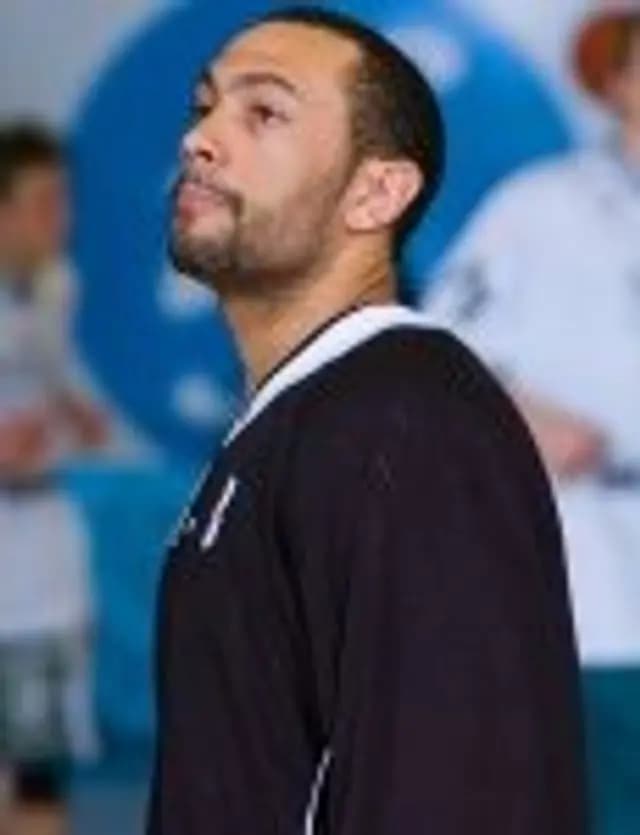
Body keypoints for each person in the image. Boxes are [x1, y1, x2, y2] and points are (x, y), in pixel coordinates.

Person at [148, 7, 587, 834]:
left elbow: (457, 794)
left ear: (377, 191)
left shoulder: (407, 424)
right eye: (203, 107)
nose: (199, 139)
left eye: (263, 112)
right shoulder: (314, 416)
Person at [420, 6, 640, 834]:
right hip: (596, 559)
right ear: (616, 83)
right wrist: (525, 416)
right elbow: (434, 349)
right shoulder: (543, 206)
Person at [0, 124, 107, 835]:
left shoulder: (57, 287)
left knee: (39, 773)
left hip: (38, 570)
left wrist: (72, 415)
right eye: (44, 202)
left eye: (64, 200)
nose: (60, 219)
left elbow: (52, 385)